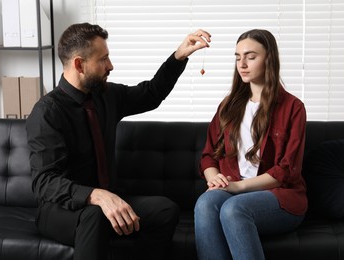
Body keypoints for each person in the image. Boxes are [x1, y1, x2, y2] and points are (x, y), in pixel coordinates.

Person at [26, 22, 211, 260]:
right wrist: (96, 195)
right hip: (59, 210)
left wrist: (178, 56)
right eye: (103, 59)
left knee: (164, 210)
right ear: (79, 64)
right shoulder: (47, 112)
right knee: (95, 216)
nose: (110, 66)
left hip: (108, 201)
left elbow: (151, 93)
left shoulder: (106, 95)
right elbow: (45, 182)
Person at [194, 29, 307, 260]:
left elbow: (286, 171)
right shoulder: (228, 106)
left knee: (234, 209)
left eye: (251, 57)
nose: (242, 64)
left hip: (279, 197)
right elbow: (208, 156)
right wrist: (214, 178)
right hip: (232, 191)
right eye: (237, 57)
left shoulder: (293, 107)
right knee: (206, 202)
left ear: (269, 59)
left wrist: (237, 188)